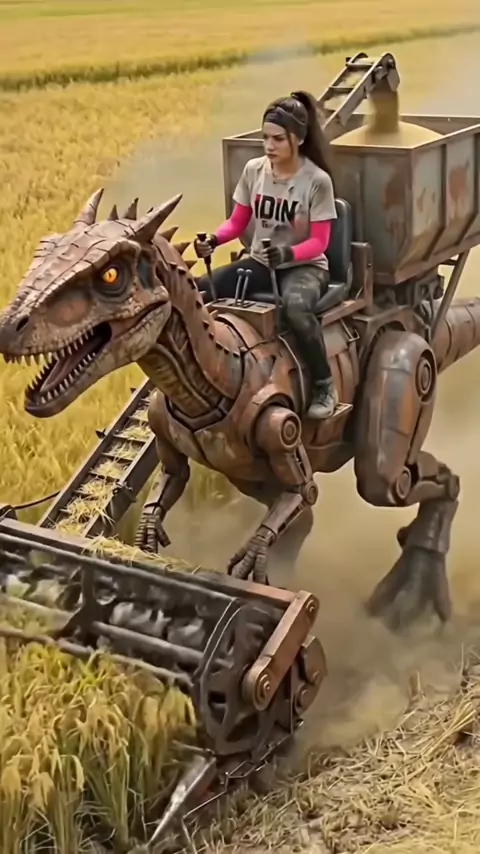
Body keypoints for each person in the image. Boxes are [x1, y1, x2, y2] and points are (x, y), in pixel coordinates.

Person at [194, 90, 339, 420]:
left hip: (305, 267)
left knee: (297, 308)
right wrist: (214, 240)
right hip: (262, 262)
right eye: (265, 138)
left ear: (298, 139)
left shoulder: (317, 182)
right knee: (199, 290)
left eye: (277, 139)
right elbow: (237, 221)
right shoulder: (254, 171)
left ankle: (324, 384)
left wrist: (287, 252)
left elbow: (320, 243)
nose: (269, 146)